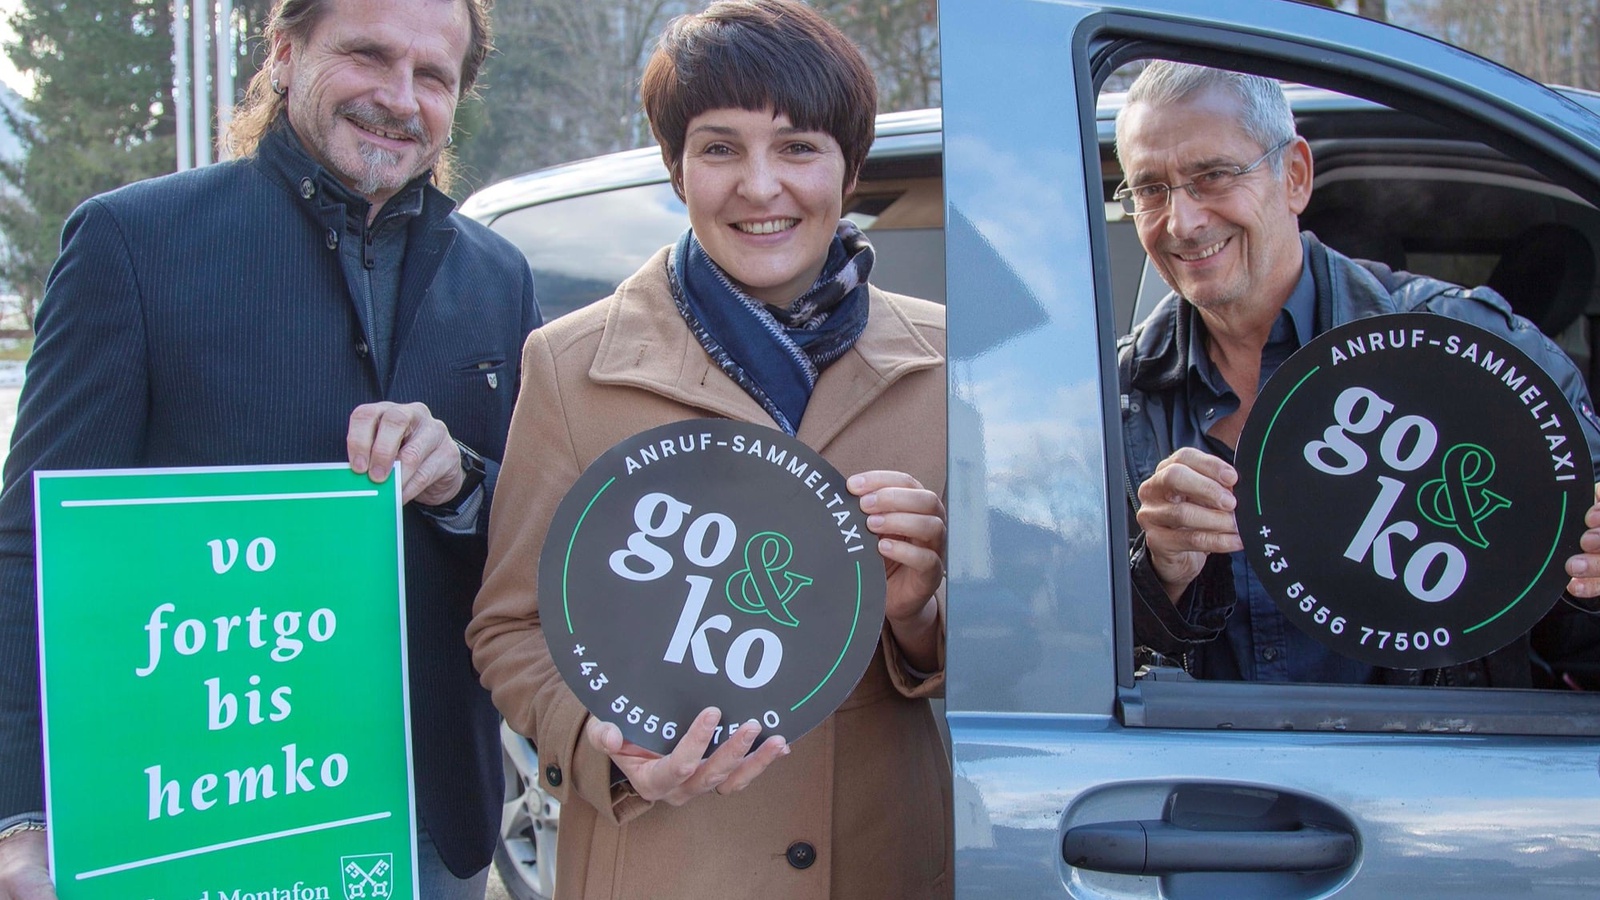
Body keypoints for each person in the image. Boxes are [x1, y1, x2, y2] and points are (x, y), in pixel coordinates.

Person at [0, 0, 540, 894]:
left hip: (427, 820)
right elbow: (30, 549)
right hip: (199, 807)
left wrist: (461, 483)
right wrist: (21, 814)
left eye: (433, 76)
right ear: (285, 55)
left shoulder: (496, 275)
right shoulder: (133, 245)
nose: (400, 98)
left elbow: (527, 538)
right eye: (367, 55)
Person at [465, 2, 950, 897]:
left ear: (849, 167)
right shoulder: (571, 366)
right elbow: (508, 628)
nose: (760, 187)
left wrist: (922, 616)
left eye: (799, 147)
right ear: (676, 167)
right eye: (720, 148)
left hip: (885, 858)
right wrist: (612, 753)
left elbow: (1029, 645)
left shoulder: (949, 364)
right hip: (665, 860)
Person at [1117, 60, 1600, 686]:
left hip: (1439, 772)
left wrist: (1589, 581)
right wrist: (1159, 574)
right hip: (1208, 777)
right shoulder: (1114, 396)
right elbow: (1059, 657)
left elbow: (1576, 646)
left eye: (1212, 175)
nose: (1182, 221)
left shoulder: (1475, 358)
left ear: (1293, 176)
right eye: (1150, 190)